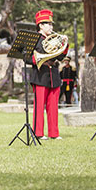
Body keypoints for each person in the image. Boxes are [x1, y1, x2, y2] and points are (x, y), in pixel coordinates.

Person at [31, 9, 66, 140]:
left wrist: (64, 44)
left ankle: (54, 133)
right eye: (48, 24)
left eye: (51, 24)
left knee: (53, 107)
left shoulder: (55, 39)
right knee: (39, 106)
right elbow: (27, 57)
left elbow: (61, 57)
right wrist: (40, 60)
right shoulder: (34, 39)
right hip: (40, 74)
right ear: (40, 25)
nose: (51, 27)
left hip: (54, 74)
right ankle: (39, 133)